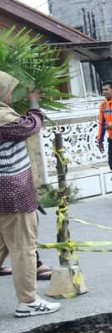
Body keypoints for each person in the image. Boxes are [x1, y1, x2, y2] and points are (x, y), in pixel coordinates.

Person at [0, 71, 60, 317]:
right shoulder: (2, 117)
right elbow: (30, 126)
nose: (11, 94)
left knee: (3, 244)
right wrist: (34, 103)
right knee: (23, 248)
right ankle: (28, 302)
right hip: (12, 194)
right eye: (9, 89)